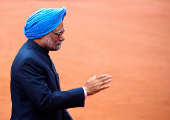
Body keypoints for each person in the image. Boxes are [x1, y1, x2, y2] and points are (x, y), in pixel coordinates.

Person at [10, 7, 112, 120]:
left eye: (62, 32)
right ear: (41, 34)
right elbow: (46, 101)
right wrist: (85, 90)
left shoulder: (38, 53)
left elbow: (53, 100)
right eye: (58, 33)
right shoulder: (28, 61)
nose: (62, 38)